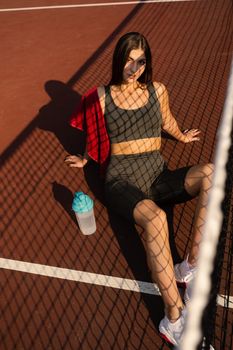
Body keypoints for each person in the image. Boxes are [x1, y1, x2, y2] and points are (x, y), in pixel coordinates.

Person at [65, 32, 213, 346]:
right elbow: (94, 133)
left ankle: (188, 266)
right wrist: (87, 157)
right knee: (156, 219)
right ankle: (173, 317)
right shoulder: (102, 95)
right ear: (119, 60)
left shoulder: (157, 90)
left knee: (210, 174)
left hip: (156, 174)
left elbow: (167, 120)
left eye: (141, 61)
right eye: (129, 60)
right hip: (122, 180)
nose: (135, 68)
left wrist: (182, 136)